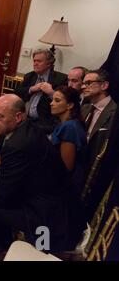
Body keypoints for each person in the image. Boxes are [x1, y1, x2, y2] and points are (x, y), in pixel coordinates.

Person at [0, 94, 70, 260]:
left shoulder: (17, 144)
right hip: (45, 196)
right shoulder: (26, 129)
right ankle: (3, 242)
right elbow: (12, 171)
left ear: (18, 116)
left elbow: (5, 196)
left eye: (0, 117)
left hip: (45, 216)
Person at [50, 86, 87, 248]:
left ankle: (41, 246)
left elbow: (66, 167)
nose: (52, 103)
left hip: (63, 191)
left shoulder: (70, 127)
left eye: (57, 100)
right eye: (52, 99)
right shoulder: (65, 124)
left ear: (70, 105)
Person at [80, 69, 117, 220]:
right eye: (83, 83)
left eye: (89, 83)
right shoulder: (85, 108)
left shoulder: (115, 112)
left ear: (104, 85)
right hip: (81, 167)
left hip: (100, 172)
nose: (83, 86)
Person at [15, 49, 68, 134]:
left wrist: (51, 93)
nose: (35, 64)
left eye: (39, 61)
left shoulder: (60, 79)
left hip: (46, 123)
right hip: (26, 120)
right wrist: (31, 89)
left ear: (48, 63)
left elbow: (65, 102)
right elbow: (17, 93)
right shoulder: (29, 76)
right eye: (34, 61)